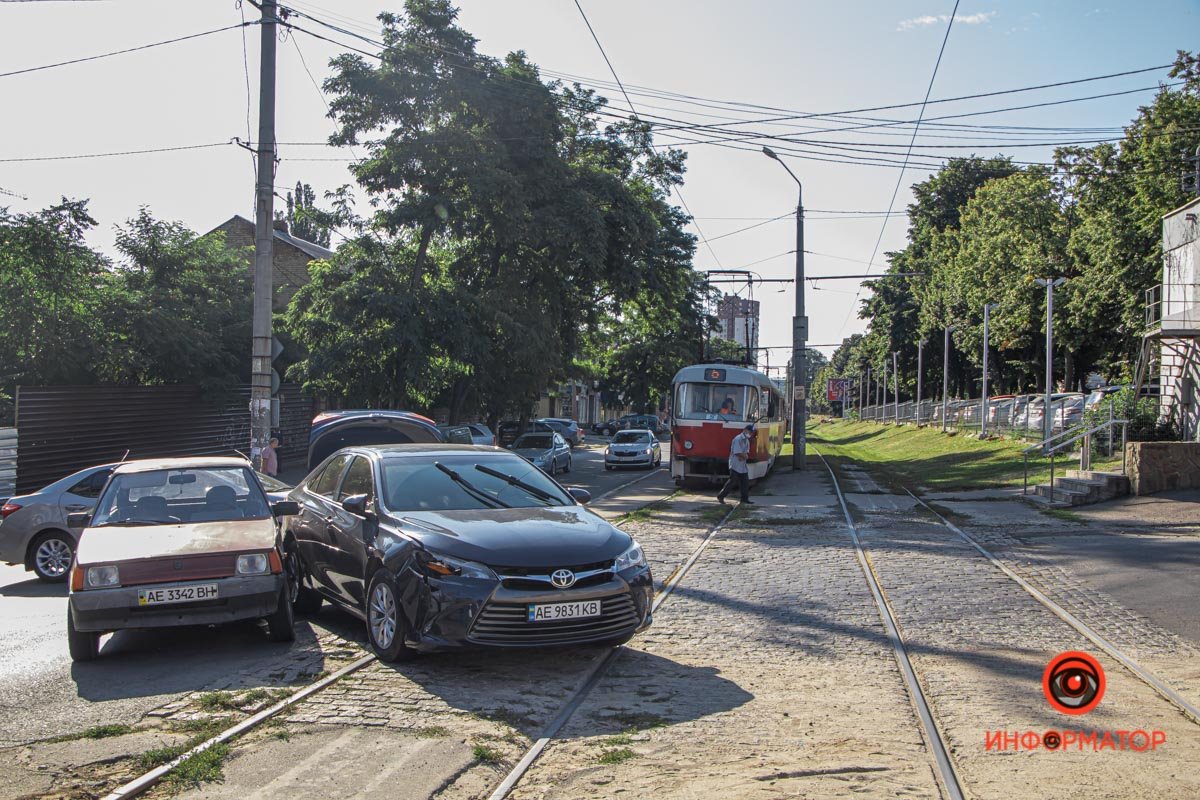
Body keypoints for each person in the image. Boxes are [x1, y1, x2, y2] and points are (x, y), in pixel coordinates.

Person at [717, 423, 755, 505]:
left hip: (742, 465)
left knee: (745, 482)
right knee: (732, 481)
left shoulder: (746, 440)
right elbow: (737, 452)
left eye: (752, 433)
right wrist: (744, 456)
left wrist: (744, 456)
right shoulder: (738, 439)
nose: (750, 434)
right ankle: (721, 496)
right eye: (750, 432)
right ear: (744, 430)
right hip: (735, 464)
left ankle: (744, 499)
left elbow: (746, 452)